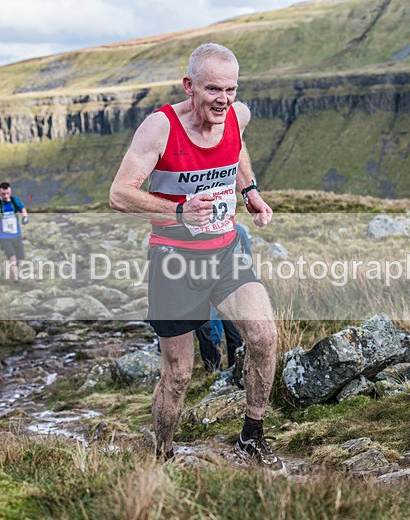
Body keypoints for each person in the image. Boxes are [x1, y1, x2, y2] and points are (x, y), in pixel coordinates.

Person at [109, 43, 282, 472]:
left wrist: (251, 192)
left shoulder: (236, 115)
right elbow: (119, 194)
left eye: (231, 89)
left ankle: (251, 437)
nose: (223, 99)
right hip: (174, 260)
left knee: (263, 338)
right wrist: (179, 211)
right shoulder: (160, 128)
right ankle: (163, 453)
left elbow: (236, 148)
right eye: (212, 90)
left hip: (225, 252)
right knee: (179, 373)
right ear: (190, 86)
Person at [196, 223, 251, 372]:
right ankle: (213, 371)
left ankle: (235, 373)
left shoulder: (238, 231)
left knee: (235, 333)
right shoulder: (195, 232)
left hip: (229, 288)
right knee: (205, 330)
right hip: (203, 290)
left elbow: (247, 260)